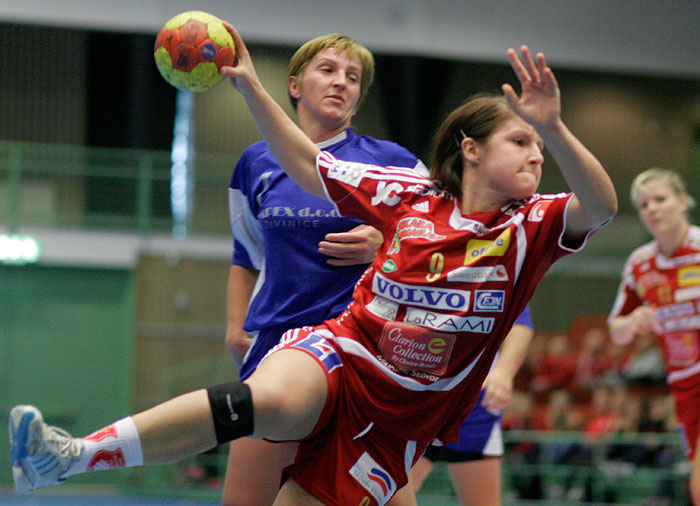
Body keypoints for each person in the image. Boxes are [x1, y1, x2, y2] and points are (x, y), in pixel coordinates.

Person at [9, 24, 617, 506]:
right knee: (263, 399)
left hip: (401, 415)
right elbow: (308, 167)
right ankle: (69, 456)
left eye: (539, 147)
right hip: (343, 351)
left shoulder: (534, 223)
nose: (536, 156)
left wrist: (554, 126)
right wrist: (250, 85)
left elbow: (602, 206)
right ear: (471, 149)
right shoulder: (407, 195)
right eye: (521, 142)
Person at [223, 33, 426, 506]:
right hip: (277, 349)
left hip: (362, 352)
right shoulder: (255, 163)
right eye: (328, 70)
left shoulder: (394, 163)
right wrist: (236, 330)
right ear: (294, 85)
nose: (341, 83)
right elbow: (244, 254)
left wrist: (384, 243)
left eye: (353, 78)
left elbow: (437, 250)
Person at [608, 167, 700, 505]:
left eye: (660, 199)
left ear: (682, 200)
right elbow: (616, 331)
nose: (652, 209)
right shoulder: (640, 264)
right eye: (644, 204)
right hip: (684, 385)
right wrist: (633, 320)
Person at [388, 305, 534, 506]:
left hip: (474, 401)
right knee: (388, 493)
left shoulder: (498, 275)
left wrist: (504, 371)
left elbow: (521, 323)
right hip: (420, 396)